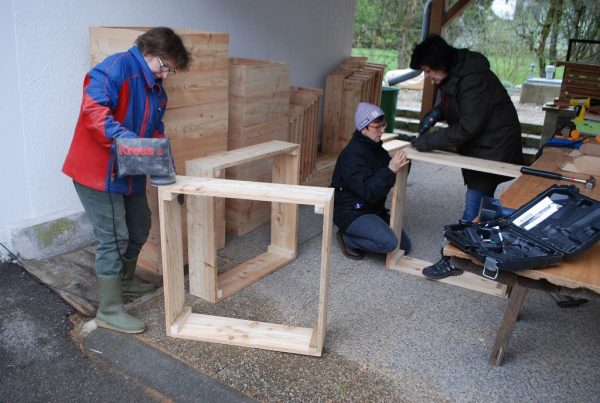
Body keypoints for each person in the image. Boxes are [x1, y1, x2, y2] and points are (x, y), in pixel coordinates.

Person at [62, 27, 191, 333]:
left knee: (139, 226)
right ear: (148, 52)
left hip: (129, 167)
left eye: (170, 69)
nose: (166, 75)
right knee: (114, 237)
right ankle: (109, 309)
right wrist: (134, 145)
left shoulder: (157, 90)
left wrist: (164, 165)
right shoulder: (114, 69)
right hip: (97, 171)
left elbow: (156, 130)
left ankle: (126, 281)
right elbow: (93, 112)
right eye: (165, 66)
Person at [409, 34, 523, 279]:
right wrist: (435, 114)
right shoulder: (453, 72)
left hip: (494, 148)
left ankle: (454, 258)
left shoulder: (474, 80)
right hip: (484, 145)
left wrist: (427, 141)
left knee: (474, 203)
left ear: (440, 64)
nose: (427, 76)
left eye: (428, 70)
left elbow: (468, 127)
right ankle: (487, 249)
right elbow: (451, 101)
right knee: (485, 205)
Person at [331, 102, 411, 260]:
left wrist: (404, 164)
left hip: (373, 209)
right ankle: (347, 237)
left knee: (404, 246)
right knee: (389, 243)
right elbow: (370, 192)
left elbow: (391, 179)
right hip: (351, 211)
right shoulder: (351, 156)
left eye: (383, 125)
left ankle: (366, 231)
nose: (382, 130)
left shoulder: (377, 149)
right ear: (363, 127)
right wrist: (391, 169)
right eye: (377, 127)